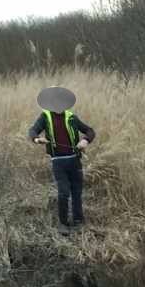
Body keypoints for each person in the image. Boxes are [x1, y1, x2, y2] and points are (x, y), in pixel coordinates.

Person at [28, 88, 95, 233]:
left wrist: (85, 141)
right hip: (58, 162)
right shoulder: (45, 117)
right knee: (64, 192)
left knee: (77, 192)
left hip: (75, 160)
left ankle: (78, 222)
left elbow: (90, 131)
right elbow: (32, 131)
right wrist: (37, 139)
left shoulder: (71, 117)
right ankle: (63, 224)